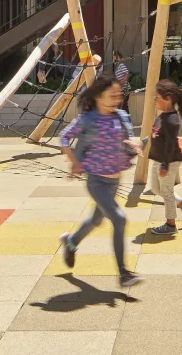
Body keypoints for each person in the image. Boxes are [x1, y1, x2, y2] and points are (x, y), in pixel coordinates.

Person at [58, 74, 143, 289]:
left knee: (96, 220)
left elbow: (128, 139)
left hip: (115, 180)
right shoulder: (88, 118)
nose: (116, 99)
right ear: (97, 96)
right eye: (111, 95)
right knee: (120, 219)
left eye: (118, 95)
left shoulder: (122, 116)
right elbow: (64, 137)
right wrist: (75, 161)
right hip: (96, 180)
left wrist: (135, 144)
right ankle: (124, 273)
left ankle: (71, 242)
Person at [146, 80, 182, 236]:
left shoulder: (171, 120)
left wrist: (165, 165)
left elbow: (170, 144)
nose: (154, 99)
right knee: (156, 188)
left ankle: (170, 224)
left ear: (167, 99)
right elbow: (157, 136)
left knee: (166, 191)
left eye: (157, 97)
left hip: (169, 160)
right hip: (159, 159)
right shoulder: (163, 115)